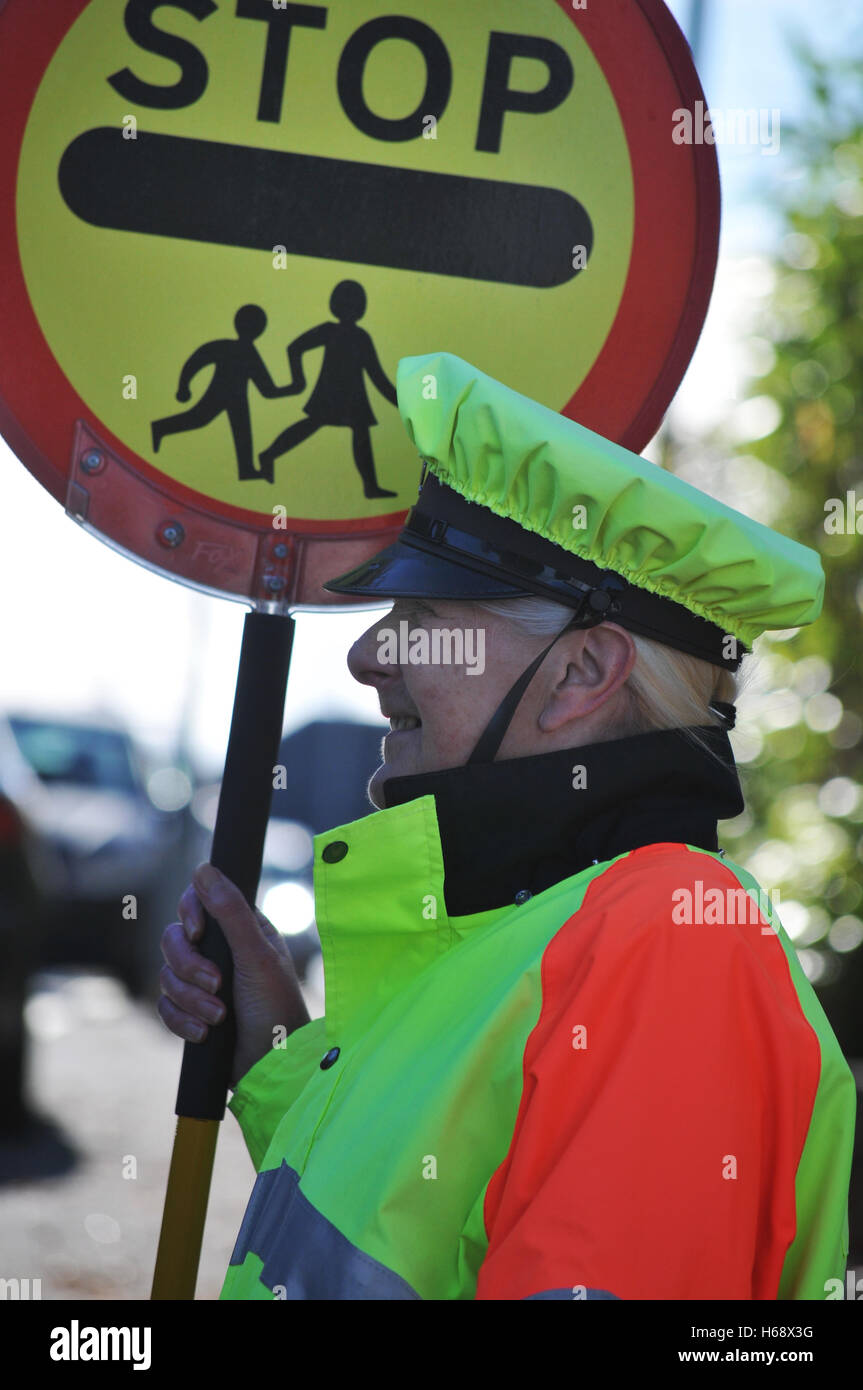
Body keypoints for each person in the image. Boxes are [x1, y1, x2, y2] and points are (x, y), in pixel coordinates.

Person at [158, 352, 856, 1300]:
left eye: (423, 614)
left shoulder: (672, 941)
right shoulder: (540, 929)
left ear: (582, 673)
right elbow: (416, 1233)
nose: (368, 653)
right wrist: (279, 1062)